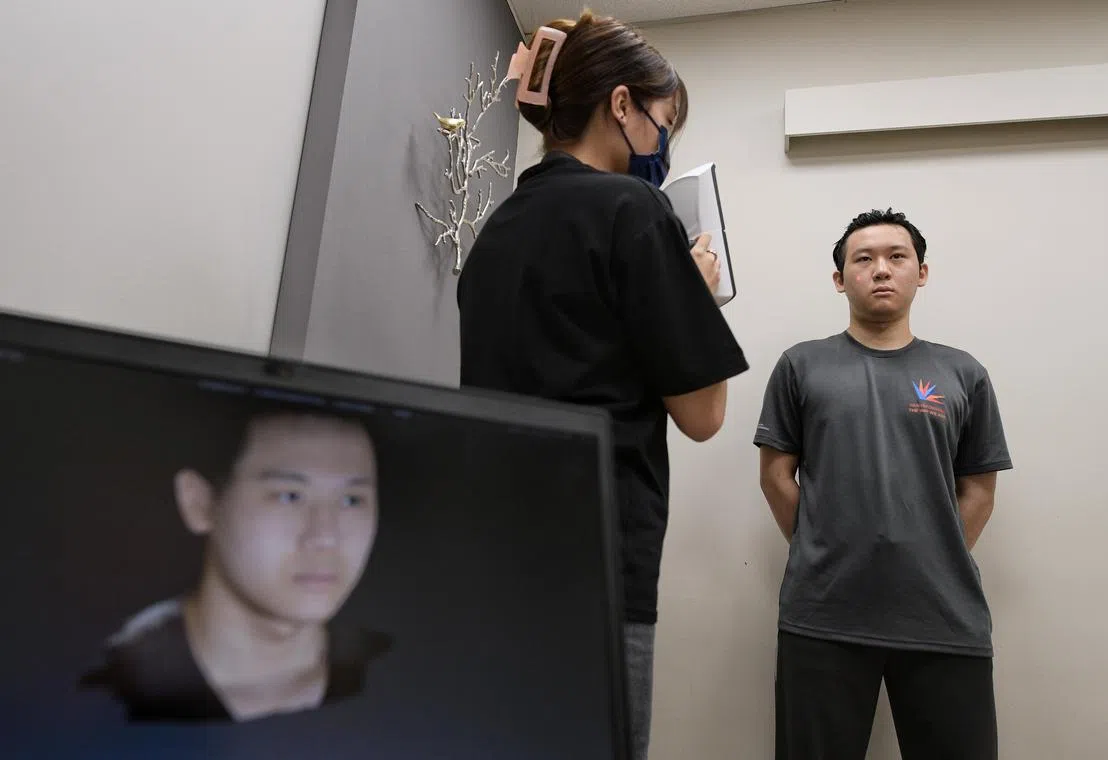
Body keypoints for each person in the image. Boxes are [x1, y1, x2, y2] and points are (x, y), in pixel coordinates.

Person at [457, 11, 749, 760]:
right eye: (662, 122)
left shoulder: (499, 228)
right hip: (600, 554)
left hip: (494, 547)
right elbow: (704, 414)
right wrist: (697, 289)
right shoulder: (634, 210)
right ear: (621, 106)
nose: (662, 146)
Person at [754, 208, 1013, 759]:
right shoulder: (801, 366)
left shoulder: (963, 373)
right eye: (863, 258)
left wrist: (932, 554)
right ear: (839, 278)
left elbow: (980, 490)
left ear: (921, 272)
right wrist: (821, 545)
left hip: (943, 618)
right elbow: (777, 475)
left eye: (897, 257)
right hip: (822, 615)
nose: (880, 270)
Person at [80, 405, 390, 723]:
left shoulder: (398, 677)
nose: (325, 537)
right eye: (289, 496)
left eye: (352, 500)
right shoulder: (103, 694)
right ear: (199, 503)